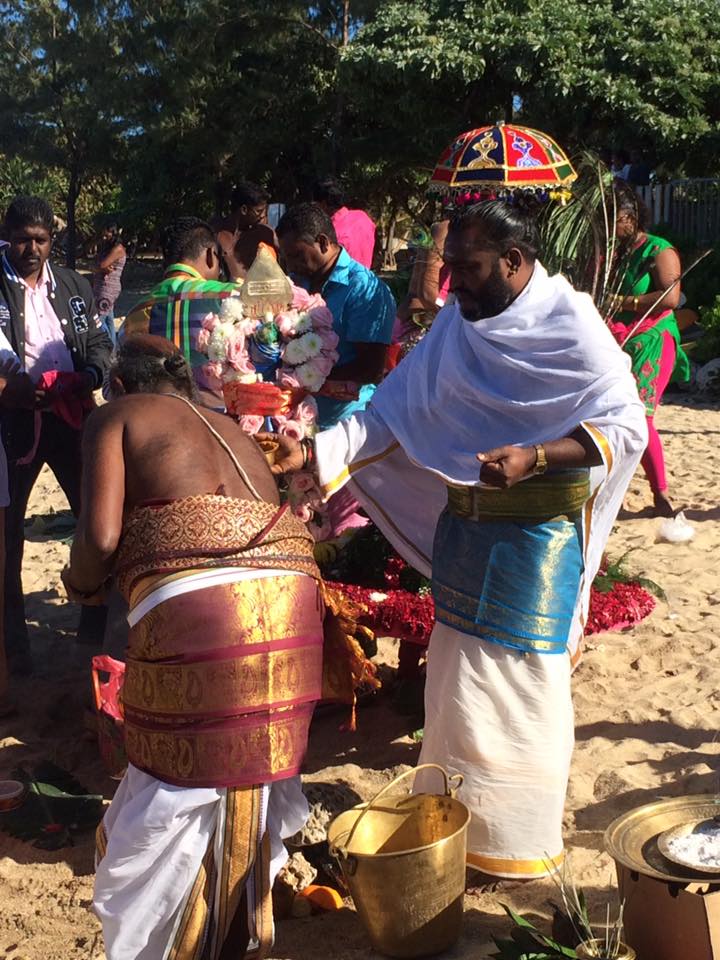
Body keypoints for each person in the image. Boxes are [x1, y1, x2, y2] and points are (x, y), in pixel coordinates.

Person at [265, 200, 647, 884]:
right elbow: (388, 416)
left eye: (469, 271)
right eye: (451, 270)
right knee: (457, 684)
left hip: (539, 542)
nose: (456, 287)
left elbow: (626, 426)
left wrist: (540, 455)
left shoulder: (573, 320)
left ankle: (519, 842)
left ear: (515, 261)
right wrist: (313, 456)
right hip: (464, 530)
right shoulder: (455, 328)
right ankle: (456, 833)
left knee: (525, 684)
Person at [64, 334, 323, 960]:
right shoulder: (226, 423)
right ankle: (234, 933)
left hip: (204, 613)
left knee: (174, 784)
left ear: (120, 385)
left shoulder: (115, 416)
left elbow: (99, 538)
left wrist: (80, 584)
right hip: (295, 601)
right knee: (242, 782)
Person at [0, 196, 113, 671]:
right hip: (13, 424)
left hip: (72, 418)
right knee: (7, 536)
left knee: (94, 520)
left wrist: (89, 376)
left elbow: (99, 341)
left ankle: (94, 630)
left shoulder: (70, 285)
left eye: (41, 240)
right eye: (23, 238)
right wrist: (20, 389)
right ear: (7, 236)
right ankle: (13, 650)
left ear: (52, 241)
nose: (31, 248)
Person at [276, 203, 395, 429]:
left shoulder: (362, 288)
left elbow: (371, 368)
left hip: (346, 422)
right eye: (286, 258)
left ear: (322, 242)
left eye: (297, 255)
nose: (291, 265)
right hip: (296, 416)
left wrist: (306, 380)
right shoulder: (298, 281)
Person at [608, 186, 689, 517]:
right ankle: (616, 491)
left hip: (652, 339)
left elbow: (670, 299)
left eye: (614, 220)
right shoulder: (614, 253)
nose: (610, 227)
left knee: (640, 416)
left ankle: (661, 494)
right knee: (612, 414)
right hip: (618, 339)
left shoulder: (658, 250)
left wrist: (623, 303)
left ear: (629, 217)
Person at [122, 217, 242, 405]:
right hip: (220, 424)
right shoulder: (232, 297)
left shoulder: (134, 314)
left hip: (159, 422)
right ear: (211, 255)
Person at [216, 181, 279, 279]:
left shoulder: (262, 234)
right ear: (244, 210)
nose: (263, 216)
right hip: (227, 292)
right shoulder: (218, 233)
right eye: (259, 211)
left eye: (264, 211)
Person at [313, 177, 376, 269]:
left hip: (341, 281)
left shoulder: (329, 232)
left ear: (323, 204)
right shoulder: (363, 218)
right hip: (366, 279)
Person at [91, 222, 127, 345]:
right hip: (101, 286)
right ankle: (112, 350)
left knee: (98, 318)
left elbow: (101, 265)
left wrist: (100, 267)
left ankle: (101, 347)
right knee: (109, 320)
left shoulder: (118, 249)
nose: (104, 239)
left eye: (107, 236)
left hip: (107, 289)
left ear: (114, 234)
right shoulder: (108, 248)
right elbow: (99, 265)